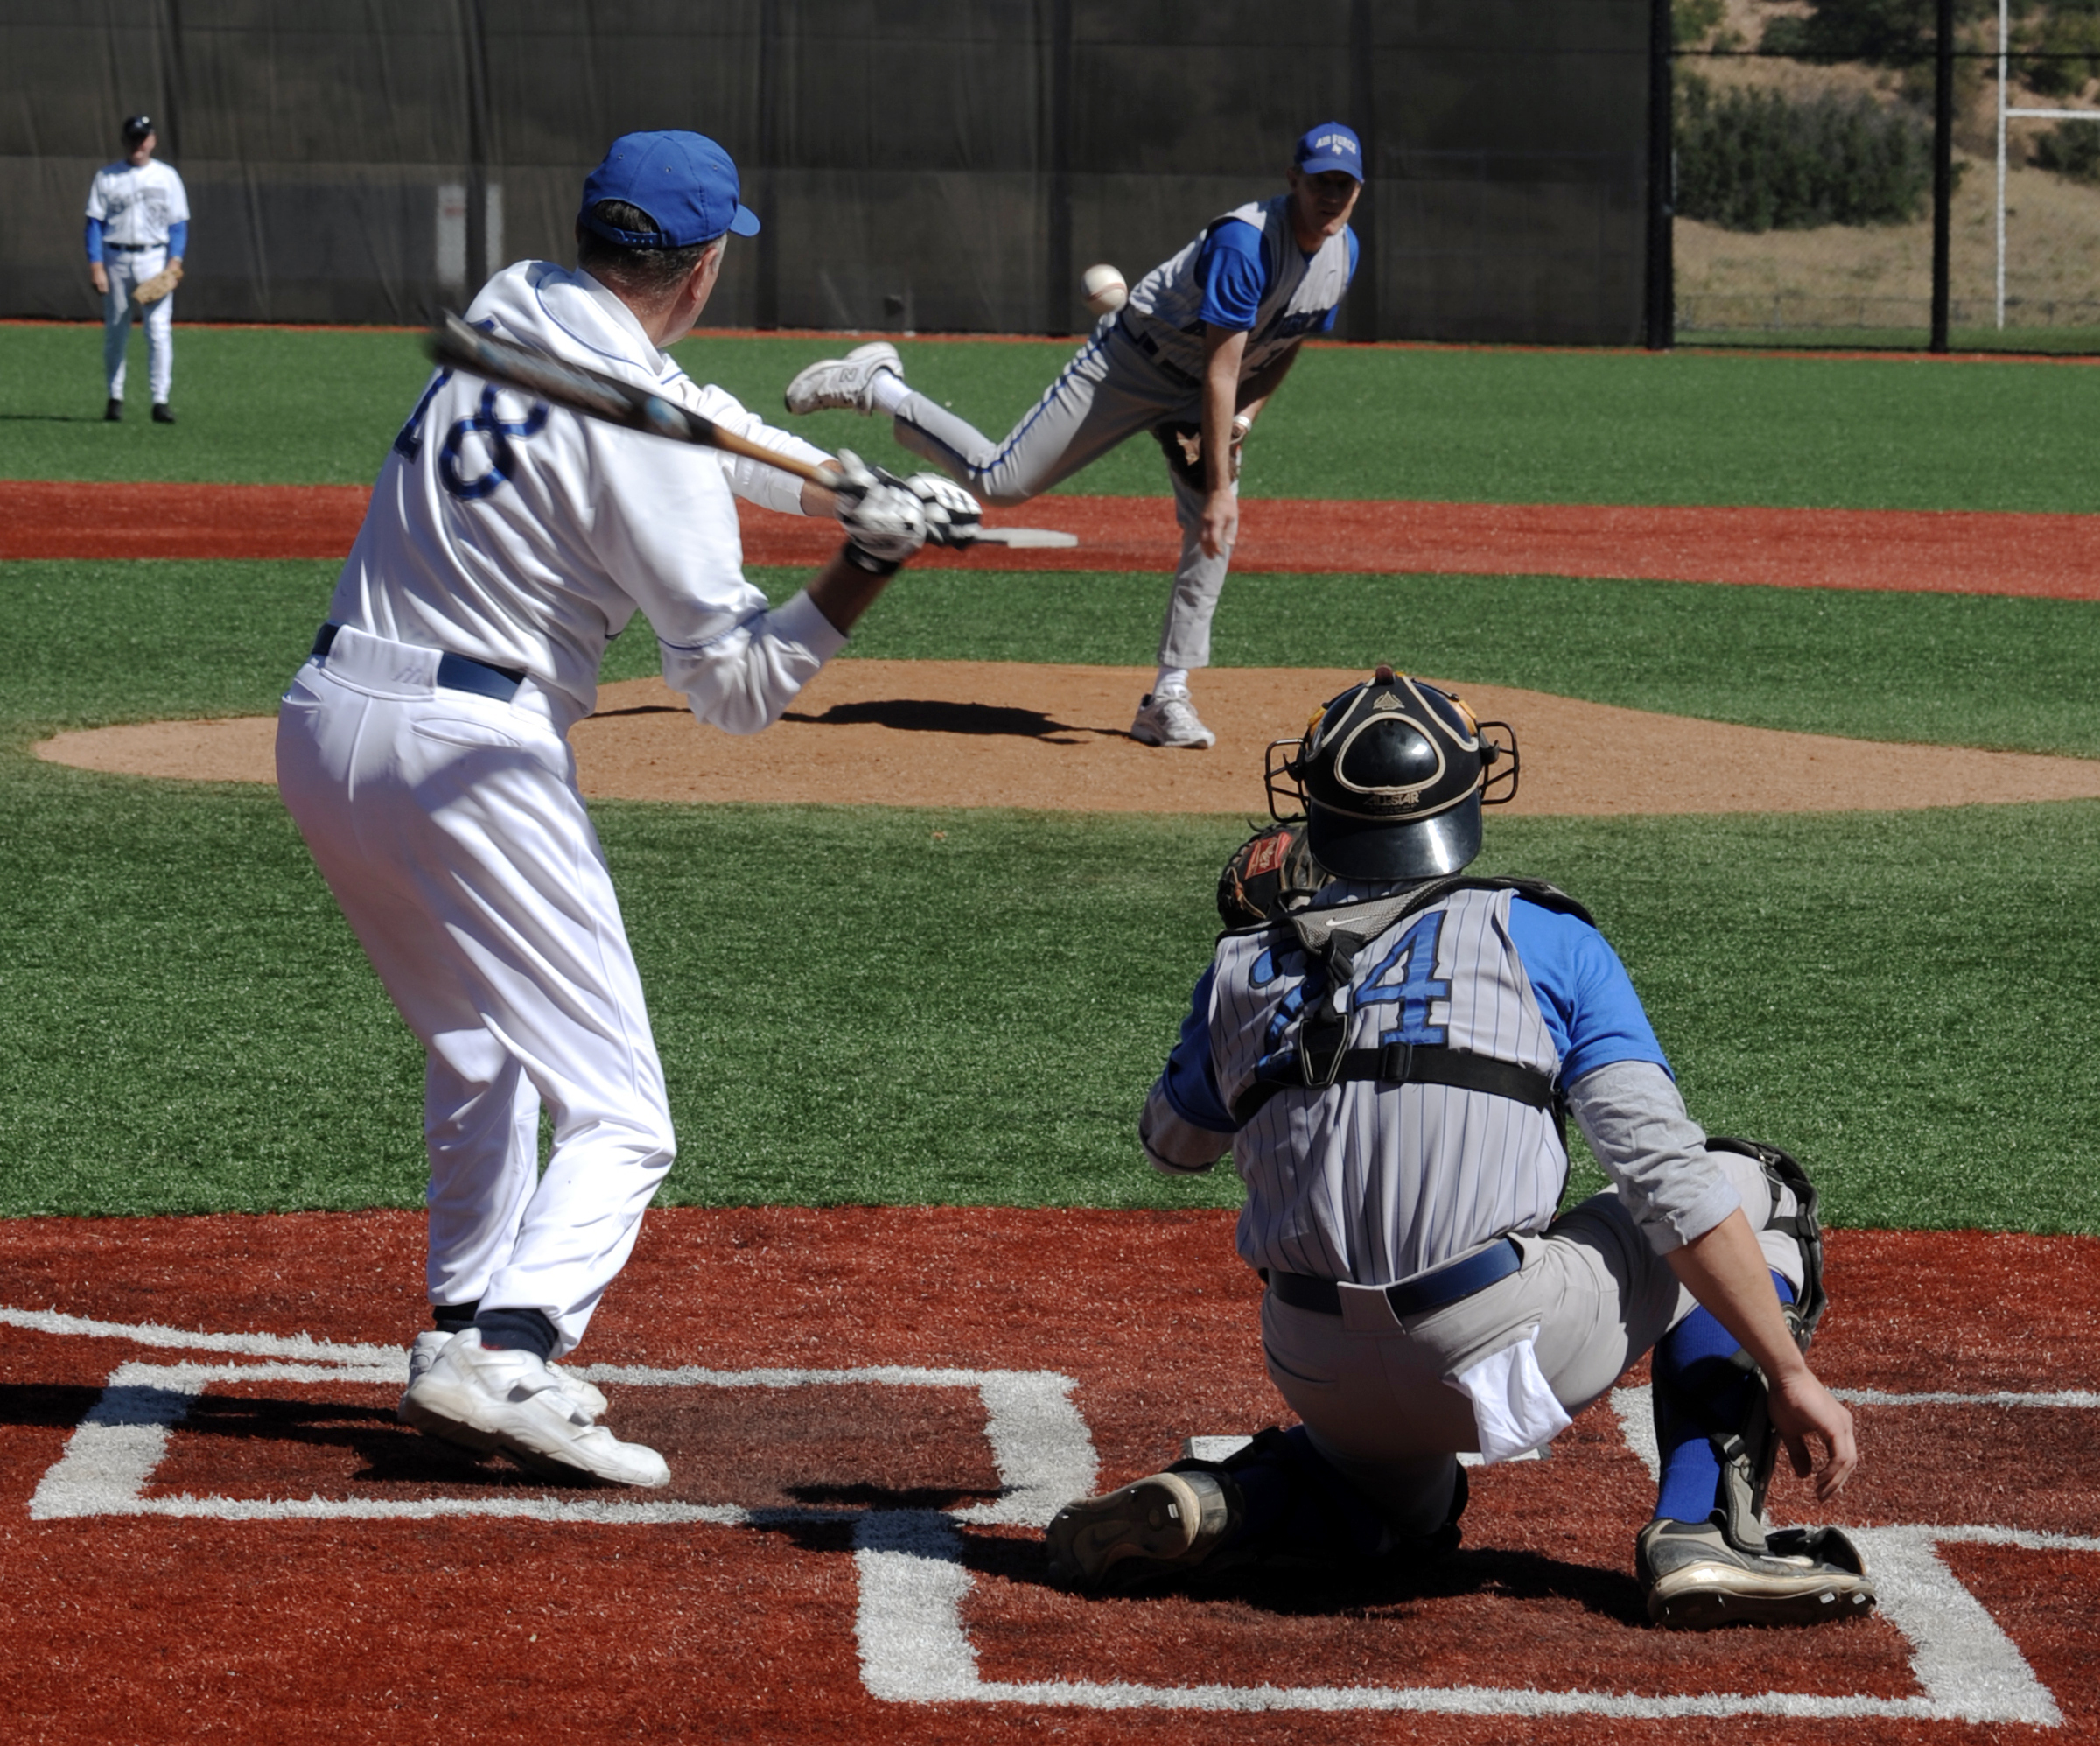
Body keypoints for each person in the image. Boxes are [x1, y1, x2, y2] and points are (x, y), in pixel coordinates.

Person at [276, 130, 976, 1488]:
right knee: (623, 1114)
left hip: (328, 722)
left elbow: (689, 411)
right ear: (705, 265)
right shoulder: (643, 439)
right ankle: (516, 1346)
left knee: (478, 1046)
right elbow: (734, 687)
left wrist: (838, 479)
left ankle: (464, 1329)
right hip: (468, 753)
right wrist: (866, 562)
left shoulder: (519, 297)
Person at [1046, 669, 1876, 1629]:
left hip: (1314, 1364)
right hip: (1501, 1356)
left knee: (1412, 1503)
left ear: (1310, 804)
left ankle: (1239, 1499)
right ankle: (1707, 1532)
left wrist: (1243, 986)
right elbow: (1665, 1180)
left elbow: (1172, 1146)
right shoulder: (1543, 934)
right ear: (1470, 796)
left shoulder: (1245, 960)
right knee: (1755, 1185)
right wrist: (1791, 1374)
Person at [780, 123, 1366, 752]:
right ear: (1293, 180)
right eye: (1320, 181)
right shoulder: (1244, 244)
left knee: (1214, 527)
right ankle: (881, 386)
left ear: (1358, 190)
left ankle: (1168, 696)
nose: (1331, 195)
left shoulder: (1343, 253)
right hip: (1134, 365)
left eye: (1344, 184)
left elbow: (1284, 342)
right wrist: (1222, 477)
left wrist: (1242, 426)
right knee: (1002, 483)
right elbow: (1222, 368)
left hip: (1204, 393)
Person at [86, 114, 189, 424]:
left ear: (153, 140)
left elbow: (179, 224)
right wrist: (96, 265)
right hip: (115, 258)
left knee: (158, 332)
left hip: (154, 259)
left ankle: (160, 401)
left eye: (143, 137)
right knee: (116, 332)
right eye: (133, 138)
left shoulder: (167, 177)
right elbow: (93, 223)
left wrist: (174, 262)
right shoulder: (107, 177)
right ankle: (114, 398)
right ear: (124, 141)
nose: (138, 144)